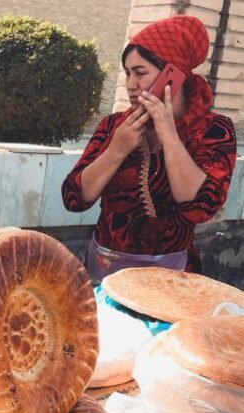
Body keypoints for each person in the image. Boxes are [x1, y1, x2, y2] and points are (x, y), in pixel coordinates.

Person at [61, 15, 236, 280]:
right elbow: (73, 198)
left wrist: (169, 136)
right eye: (128, 73)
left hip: (171, 275)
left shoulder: (213, 130)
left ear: (172, 75)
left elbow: (201, 208)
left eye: (140, 73)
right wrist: (116, 150)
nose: (130, 84)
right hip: (105, 271)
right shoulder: (113, 127)